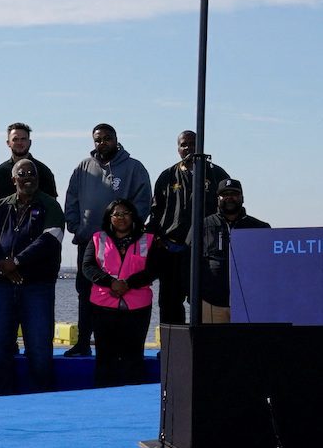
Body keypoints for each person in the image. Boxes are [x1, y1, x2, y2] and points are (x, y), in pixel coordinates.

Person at [0, 158, 66, 395]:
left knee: (38, 350)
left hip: (37, 287)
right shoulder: (0, 207)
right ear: (13, 179)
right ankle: (0, 400)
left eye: (32, 174)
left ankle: (41, 401)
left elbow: (49, 240)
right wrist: (1, 265)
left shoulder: (51, 206)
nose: (27, 178)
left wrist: (15, 262)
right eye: (22, 174)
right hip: (3, 287)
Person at [62, 124, 152, 357]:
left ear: (116, 139)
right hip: (89, 241)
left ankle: (123, 346)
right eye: (98, 139)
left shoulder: (134, 167)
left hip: (123, 244)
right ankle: (83, 342)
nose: (102, 143)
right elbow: (71, 198)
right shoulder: (83, 167)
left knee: (123, 290)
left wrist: (131, 230)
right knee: (85, 292)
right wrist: (76, 227)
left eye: (107, 138)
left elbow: (143, 201)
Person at [148, 131, 229, 328]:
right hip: (173, 249)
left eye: (193, 144)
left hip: (205, 252)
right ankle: (172, 349)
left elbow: (228, 208)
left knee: (203, 301)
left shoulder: (216, 174)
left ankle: (202, 346)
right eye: (184, 145)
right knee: (170, 302)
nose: (189, 148)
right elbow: (156, 211)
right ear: (178, 149)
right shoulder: (167, 176)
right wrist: (156, 238)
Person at [80, 198, 164, 386]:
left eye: (126, 213)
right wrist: (111, 283)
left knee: (133, 357)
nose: (121, 218)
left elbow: (154, 269)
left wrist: (128, 283)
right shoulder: (97, 238)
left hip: (137, 307)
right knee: (105, 357)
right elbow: (88, 267)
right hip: (103, 305)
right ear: (109, 217)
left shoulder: (148, 239)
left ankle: (133, 400)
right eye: (116, 214)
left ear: (133, 216)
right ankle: (103, 395)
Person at [198, 179, 270, 324]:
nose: (229, 198)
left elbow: (270, 266)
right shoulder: (202, 226)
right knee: (214, 345)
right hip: (212, 303)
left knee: (249, 346)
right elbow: (187, 262)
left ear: (242, 198)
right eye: (224, 194)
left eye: (234, 194)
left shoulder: (260, 228)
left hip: (251, 304)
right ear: (217, 199)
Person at [0, 122, 58, 199]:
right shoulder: (0, 172)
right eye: (15, 139)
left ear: (30, 142)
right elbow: (0, 205)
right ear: (8, 143)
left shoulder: (44, 171)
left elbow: (52, 204)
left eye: (23, 139)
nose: (19, 143)